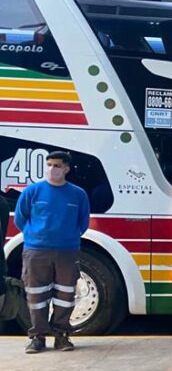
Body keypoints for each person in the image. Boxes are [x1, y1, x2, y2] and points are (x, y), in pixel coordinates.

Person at [14, 151, 90, 353]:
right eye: (49, 165)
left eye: (56, 165)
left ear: (66, 169)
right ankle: (37, 337)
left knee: (65, 294)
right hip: (36, 251)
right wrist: (35, 236)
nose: (51, 169)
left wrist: (67, 238)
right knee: (36, 295)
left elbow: (83, 223)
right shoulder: (32, 192)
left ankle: (61, 336)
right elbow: (20, 219)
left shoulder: (78, 194)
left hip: (67, 251)